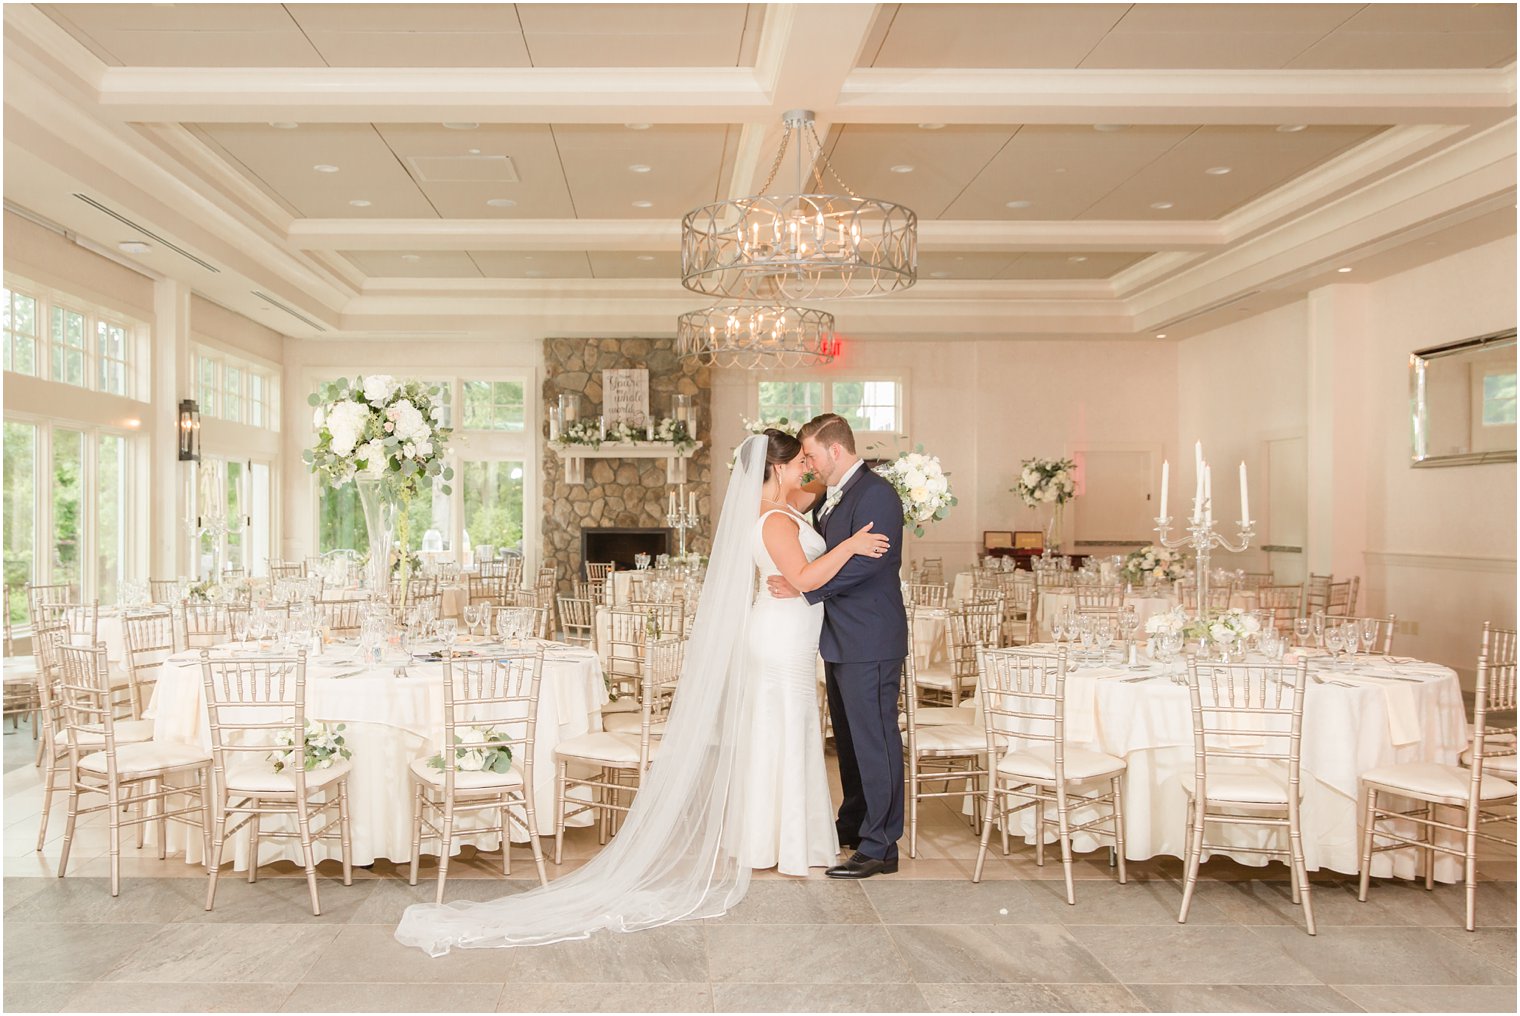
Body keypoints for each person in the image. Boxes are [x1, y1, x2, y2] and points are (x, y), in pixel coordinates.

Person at [394, 431, 887, 955]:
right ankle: (781, 843)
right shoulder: (772, 519)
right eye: (800, 461)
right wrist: (852, 546)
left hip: (786, 632)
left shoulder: (780, 509)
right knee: (782, 733)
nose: (809, 467)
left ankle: (775, 838)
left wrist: (818, 487)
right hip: (781, 640)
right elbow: (806, 572)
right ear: (779, 466)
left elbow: (810, 513)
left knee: (780, 734)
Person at [768, 413, 908, 878]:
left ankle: (881, 846)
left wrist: (805, 589)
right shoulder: (830, 495)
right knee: (848, 741)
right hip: (840, 637)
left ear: (834, 450)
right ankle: (854, 823)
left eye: (809, 453)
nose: (806, 462)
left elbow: (870, 563)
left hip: (871, 636)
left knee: (876, 740)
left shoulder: (878, 494)